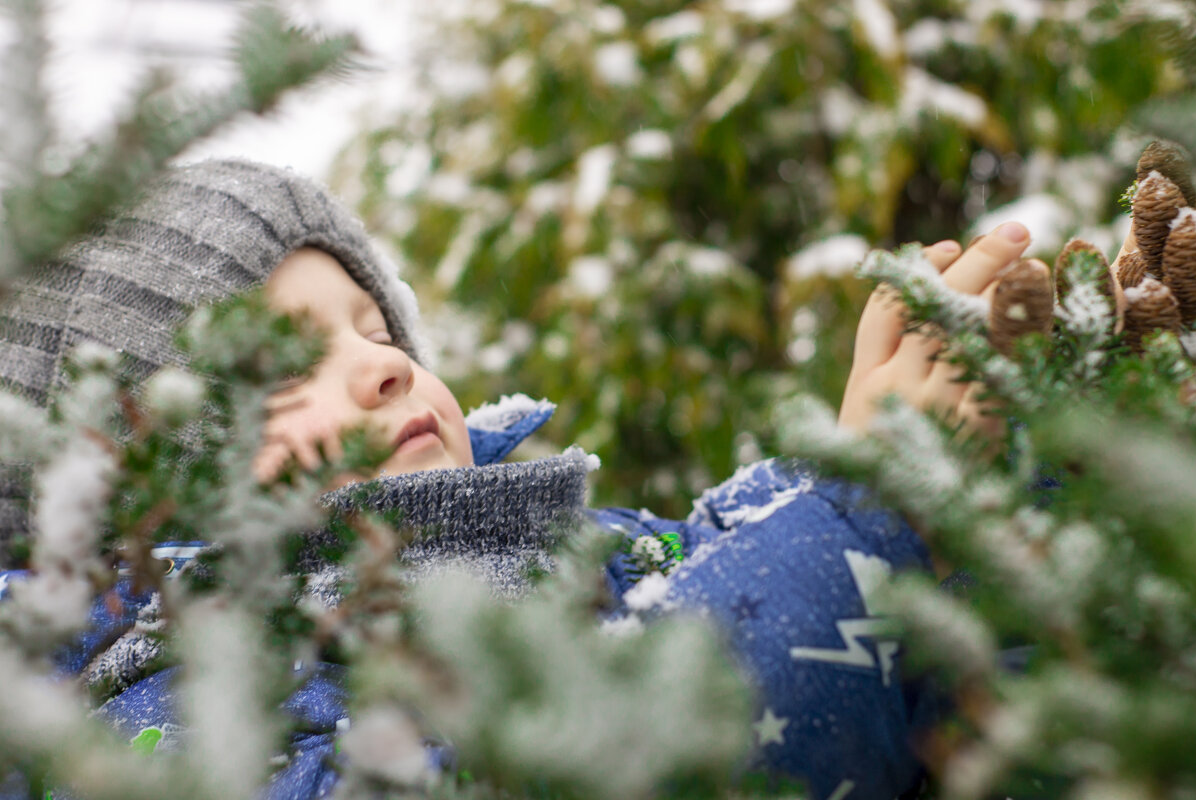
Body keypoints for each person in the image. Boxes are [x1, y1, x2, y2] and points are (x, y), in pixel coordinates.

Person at [0, 159, 1035, 800]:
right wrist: (861, 519)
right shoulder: (166, 718)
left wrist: (984, 458)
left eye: (374, 325)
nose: (384, 362)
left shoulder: (592, 545)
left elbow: (737, 562)